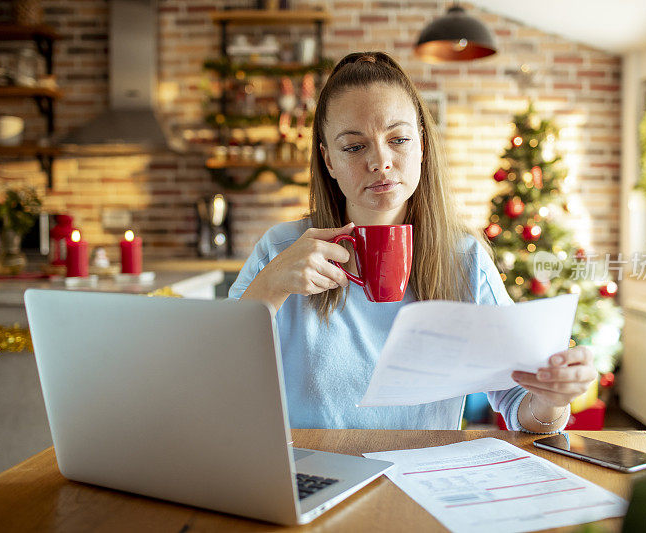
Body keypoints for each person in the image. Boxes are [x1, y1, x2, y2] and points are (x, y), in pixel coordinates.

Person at [229, 51, 596, 432]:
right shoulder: (281, 249)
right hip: (314, 478)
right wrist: (269, 287)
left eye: (399, 139)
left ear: (421, 145)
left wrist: (553, 399)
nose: (381, 161)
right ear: (328, 161)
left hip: (425, 481)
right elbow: (216, 377)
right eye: (354, 147)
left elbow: (521, 404)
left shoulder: (464, 259)